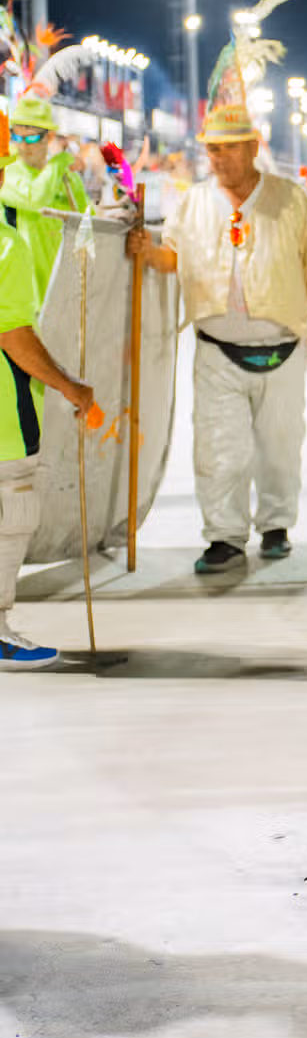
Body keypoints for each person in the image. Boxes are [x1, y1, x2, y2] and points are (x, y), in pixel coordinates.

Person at [128, 0, 307, 574]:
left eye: (227, 149)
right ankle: (223, 536)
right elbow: (175, 256)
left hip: (284, 342)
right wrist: (150, 253)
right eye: (211, 150)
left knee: (279, 447)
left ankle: (275, 525)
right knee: (219, 449)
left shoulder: (289, 198)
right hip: (217, 349)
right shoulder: (193, 202)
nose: (217, 159)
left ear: (252, 147)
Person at [0, 112, 97, 668]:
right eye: (16, 139)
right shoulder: (6, 241)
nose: (23, 147)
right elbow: (13, 334)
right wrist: (69, 386)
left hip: (39, 319)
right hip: (8, 404)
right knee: (13, 511)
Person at [1, 96, 90, 303]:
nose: (23, 146)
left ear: (49, 137)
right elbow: (35, 200)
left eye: (31, 139)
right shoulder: (8, 172)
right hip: (22, 297)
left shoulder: (68, 179)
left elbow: (89, 223)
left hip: (62, 293)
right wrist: (60, 163)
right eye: (17, 136)